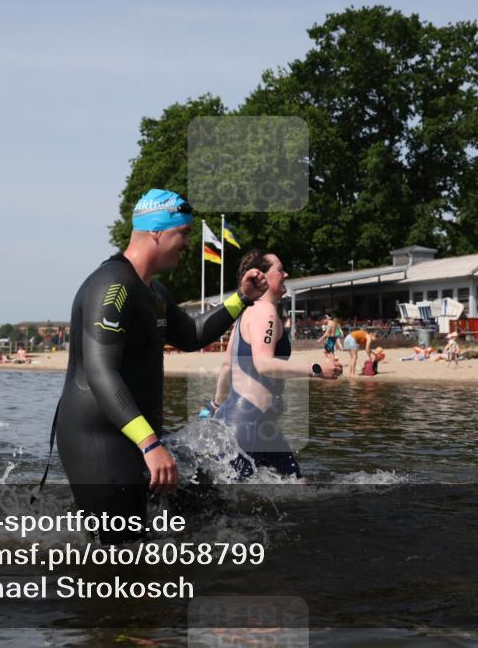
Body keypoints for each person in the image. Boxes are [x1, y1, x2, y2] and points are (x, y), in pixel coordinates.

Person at [51, 189, 268, 543]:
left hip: (140, 434)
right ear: (156, 232)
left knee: (208, 511)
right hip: (100, 439)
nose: (187, 243)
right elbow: (100, 371)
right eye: (182, 233)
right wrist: (151, 446)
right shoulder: (112, 286)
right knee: (122, 551)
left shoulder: (155, 292)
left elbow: (193, 334)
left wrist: (242, 298)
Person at [214, 250, 341, 479]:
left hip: (243, 419)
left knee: (295, 485)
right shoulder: (265, 311)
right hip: (250, 422)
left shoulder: (245, 313)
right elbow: (263, 364)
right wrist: (317, 370)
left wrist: (215, 406)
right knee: (240, 507)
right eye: (280, 270)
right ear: (261, 276)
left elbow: (226, 366)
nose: (286, 274)